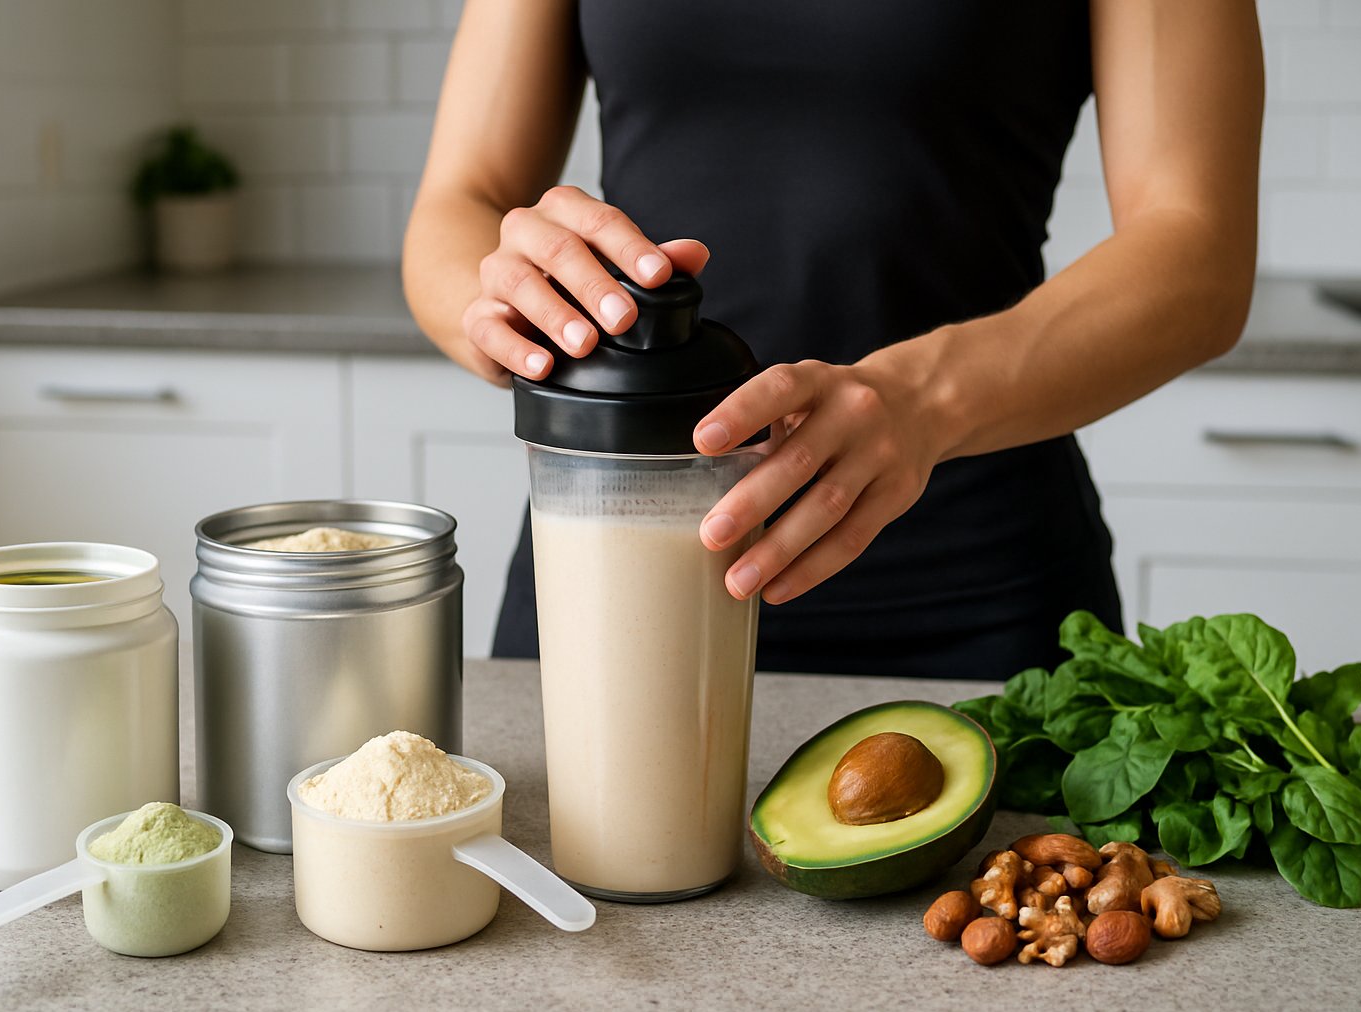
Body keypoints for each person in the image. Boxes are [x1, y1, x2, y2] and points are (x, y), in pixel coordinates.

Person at [402, 0, 1263, 680]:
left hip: (971, 601)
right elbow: (461, 199)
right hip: (608, 562)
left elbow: (1197, 251)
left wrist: (921, 400)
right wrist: (511, 303)